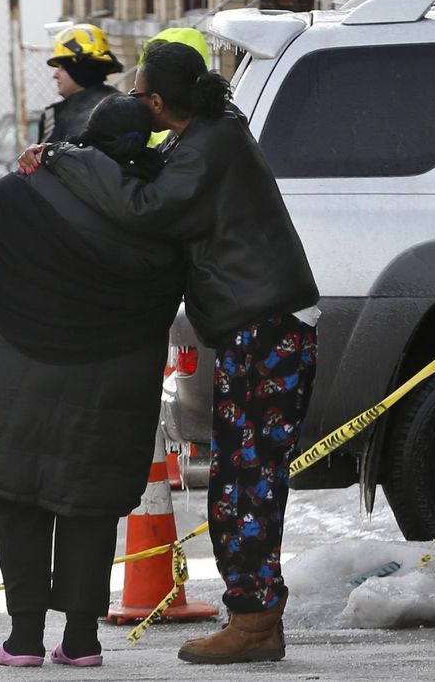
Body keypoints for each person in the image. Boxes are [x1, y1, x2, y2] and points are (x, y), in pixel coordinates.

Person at [28, 39, 320, 665]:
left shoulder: (208, 147)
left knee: (244, 482)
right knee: (247, 478)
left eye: (137, 95)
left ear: (158, 102)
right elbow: (159, 176)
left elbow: (146, 208)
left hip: (264, 329)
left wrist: (64, 158)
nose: (135, 104)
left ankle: (252, 621)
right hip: (263, 326)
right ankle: (257, 617)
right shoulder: (214, 133)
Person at [0, 94, 184, 669]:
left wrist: (10, 303)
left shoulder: (39, 181)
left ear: (88, 135)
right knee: (89, 503)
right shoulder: (163, 208)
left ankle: (22, 641)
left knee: (18, 495)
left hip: (27, 362)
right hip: (115, 376)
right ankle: (83, 640)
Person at [37, 24, 122, 144]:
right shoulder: (124, 106)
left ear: (77, 69)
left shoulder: (55, 116)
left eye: (62, 67)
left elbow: (43, 160)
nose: (55, 75)